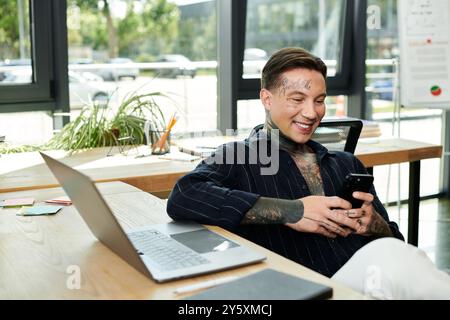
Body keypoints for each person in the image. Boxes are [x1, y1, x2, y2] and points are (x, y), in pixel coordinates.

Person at [166, 47, 450, 299]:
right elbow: (184, 195)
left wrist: (375, 225)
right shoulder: (240, 155)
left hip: (368, 284)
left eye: (319, 100)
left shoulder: (346, 162)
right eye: (297, 99)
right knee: (391, 259)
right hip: (303, 289)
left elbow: (395, 241)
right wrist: (292, 212)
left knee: (398, 258)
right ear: (266, 98)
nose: (311, 112)